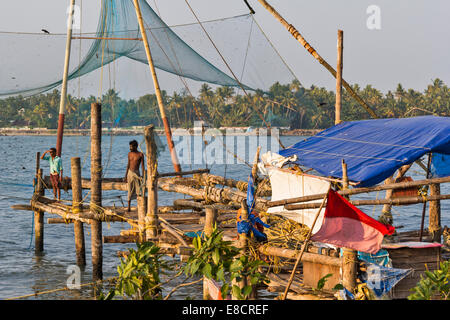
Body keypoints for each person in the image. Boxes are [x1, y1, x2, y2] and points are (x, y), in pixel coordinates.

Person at [124, 140, 145, 212]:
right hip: (130, 173)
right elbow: (128, 165)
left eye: (132, 146)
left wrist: (143, 175)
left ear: (136, 146)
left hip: (137, 173)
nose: (130, 148)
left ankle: (140, 206)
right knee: (129, 190)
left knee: (139, 190)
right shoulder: (129, 154)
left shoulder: (140, 154)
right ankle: (129, 207)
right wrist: (125, 175)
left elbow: (142, 166)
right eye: (130, 146)